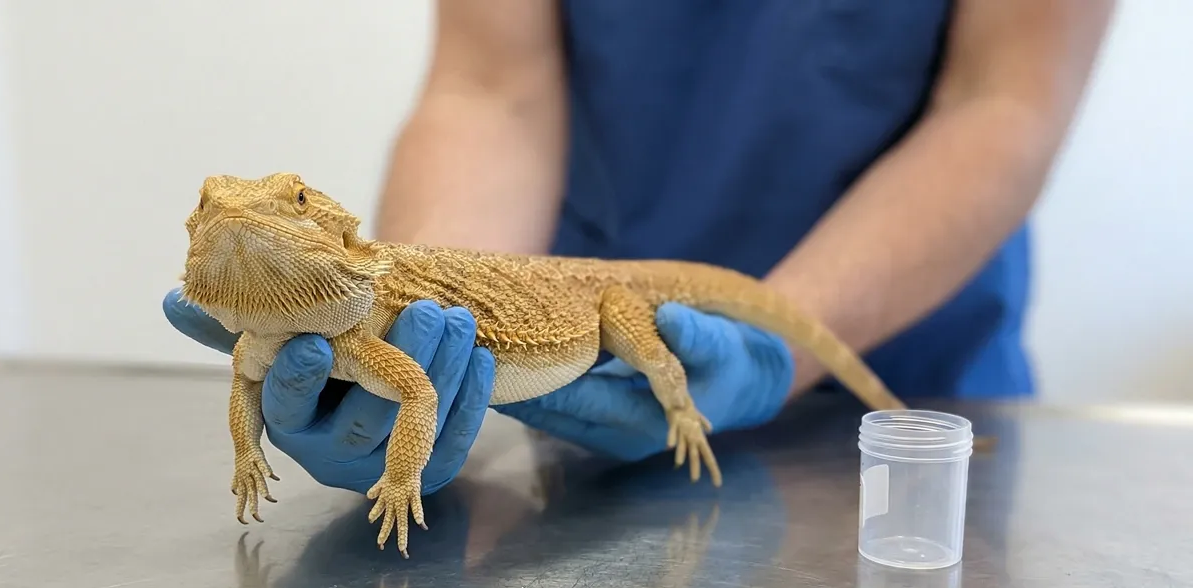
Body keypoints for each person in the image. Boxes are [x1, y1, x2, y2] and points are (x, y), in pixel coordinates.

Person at [164, 0, 1114, 496]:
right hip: (564, 380)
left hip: (909, 370)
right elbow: (494, 90)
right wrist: (429, 338)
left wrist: (771, 355)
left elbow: (1003, 100)